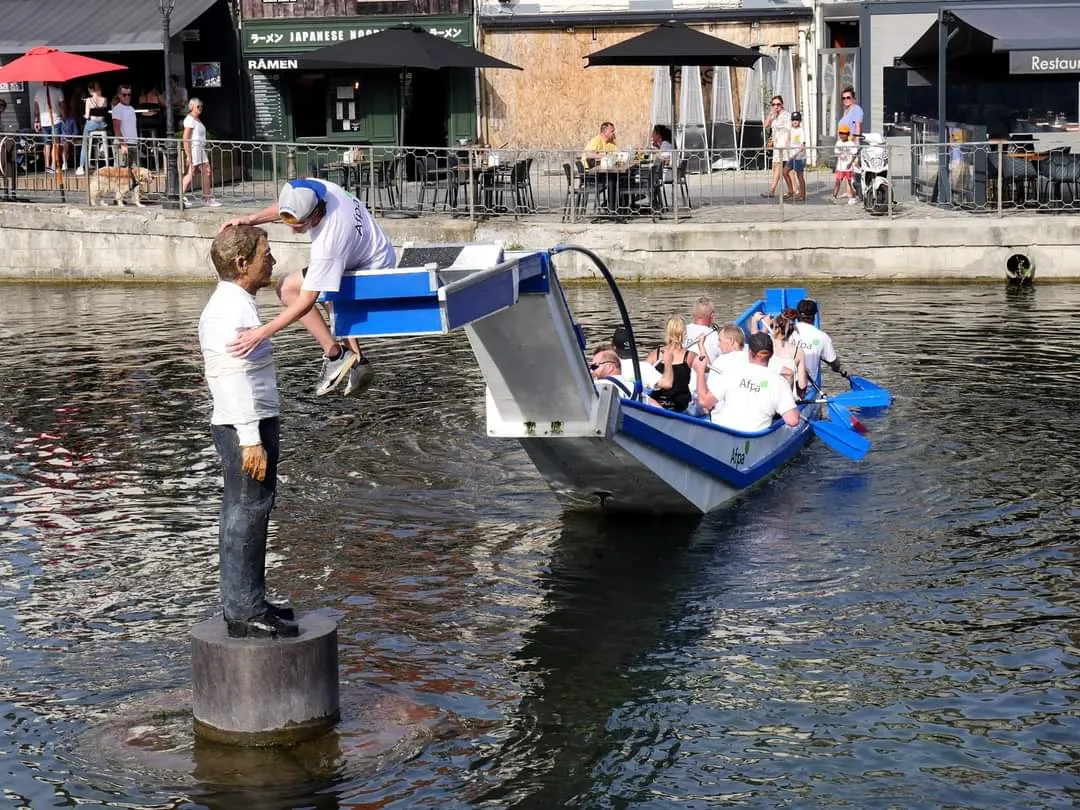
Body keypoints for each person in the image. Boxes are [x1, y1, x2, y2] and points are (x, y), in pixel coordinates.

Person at [199, 224, 298, 639]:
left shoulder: (237, 303)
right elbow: (230, 375)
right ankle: (243, 609)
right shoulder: (231, 310)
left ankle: (247, 598)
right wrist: (250, 438)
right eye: (266, 253)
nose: (272, 260)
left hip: (249, 421)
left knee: (246, 509)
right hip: (246, 425)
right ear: (242, 264)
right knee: (247, 512)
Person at [220, 178, 396, 398]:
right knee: (329, 293)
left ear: (314, 215)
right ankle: (358, 363)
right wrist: (251, 219)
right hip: (374, 250)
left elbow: (306, 301)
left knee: (287, 289)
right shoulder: (317, 189)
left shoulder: (328, 242)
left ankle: (335, 355)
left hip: (372, 273)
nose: (294, 232)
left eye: (299, 226)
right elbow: (286, 207)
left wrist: (261, 333)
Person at [693, 332, 800, 432]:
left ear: (749, 353)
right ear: (771, 355)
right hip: (754, 436)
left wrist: (700, 372)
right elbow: (793, 421)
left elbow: (704, 402)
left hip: (722, 431)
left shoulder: (731, 372)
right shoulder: (780, 382)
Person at [646, 315, 698, 412]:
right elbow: (705, 367)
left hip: (658, 403)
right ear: (684, 333)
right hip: (681, 406)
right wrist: (701, 345)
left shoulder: (654, 354)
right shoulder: (690, 356)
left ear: (667, 332)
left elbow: (643, 377)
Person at [791, 299, 844, 387]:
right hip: (807, 389)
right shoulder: (823, 337)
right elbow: (834, 364)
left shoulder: (785, 332)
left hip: (786, 386)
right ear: (814, 316)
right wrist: (839, 368)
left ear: (797, 314)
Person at [182, 97, 221, 207]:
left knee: (206, 171)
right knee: (191, 173)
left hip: (200, 148)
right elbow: (186, 138)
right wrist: (188, 155)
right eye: (198, 106)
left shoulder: (197, 119)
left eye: (201, 106)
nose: (200, 108)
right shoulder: (190, 120)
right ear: (192, 107)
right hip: (194, 149)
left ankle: (207, 197)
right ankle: (180, 195)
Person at [762, 95, 794, 199]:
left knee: (779, 168)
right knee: (784, 170)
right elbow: (765, 125)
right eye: (774, 104)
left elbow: (790, 130)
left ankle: (772, 190)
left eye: (778, 104)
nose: (776, 106)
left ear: (782, 104)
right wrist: (770, 114)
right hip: (776, 145)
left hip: (783, 145)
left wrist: (787, 143)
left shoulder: (786, 116)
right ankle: (793, 190)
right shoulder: (774, 115)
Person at [612, 324, 662, 390]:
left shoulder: (607, 368)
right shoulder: (645, 367)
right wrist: (668, 362)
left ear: (614, 348)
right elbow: (667, 383)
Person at [76, 81, 108, 176]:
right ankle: (102, 145)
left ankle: (81, 166)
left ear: (90, 90)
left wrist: (85, 116)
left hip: (92, 125)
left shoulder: (89, 101)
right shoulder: (104, 99)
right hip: (102, 125)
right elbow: (104, 114)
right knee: (105, 132)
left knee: (85, 143)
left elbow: (87, 115)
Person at [32, 81, 63, 174]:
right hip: (55, 120)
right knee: (56, 143)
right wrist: (64, 117)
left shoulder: (38, 92)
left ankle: (47, 166)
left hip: (44, 121)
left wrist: (36, 121)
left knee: (47, 144)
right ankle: (54, 165)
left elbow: (36, 109)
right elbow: (62, 106)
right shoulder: (58, 91)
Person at [111, 85, 139, 168]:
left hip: (133, 144)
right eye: (124, 95)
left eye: (129, 95)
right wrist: (123, 144)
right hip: (122, 144)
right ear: (119, 95)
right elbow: (116, 128)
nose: (127, 97)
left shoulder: (131, 109)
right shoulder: (117, 109)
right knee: (121, 174)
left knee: (135, 172)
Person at [785, 111, 807, 201]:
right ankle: (792, 191)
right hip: (791, 156)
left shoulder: (801, 131)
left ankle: (803, 195)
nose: (795, 121)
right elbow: (788, 140)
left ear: (800, 121)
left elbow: (802, 146)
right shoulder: (791, 129)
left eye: (797, 120)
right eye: (793, 119)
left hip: (799, 157)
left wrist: (795, 154)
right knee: (785, 172)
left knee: (800, 176)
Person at [833, 124, 857, 202]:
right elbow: (836, 153)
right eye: (841, 133)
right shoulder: (838, 143)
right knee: (837, 181)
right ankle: (834, 196)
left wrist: (850, 163)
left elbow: (854, 154)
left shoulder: (851, 144)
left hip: (848, 167)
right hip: (840, 167)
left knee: (849, 182)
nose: (842, 135)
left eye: (844, 133)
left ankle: (853, 196)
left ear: (848, 134)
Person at [58, 100, 79, 171]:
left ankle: (65, 163)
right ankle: (63, 163)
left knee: (66, 144)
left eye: (64, 110)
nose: (63, 112)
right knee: (64, 144)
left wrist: (72, 137)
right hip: (61, 140)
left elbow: (76, 131)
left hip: (70, 139)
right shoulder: (57, 121)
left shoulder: (72, 120)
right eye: (61, 110)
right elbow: (57, 133)